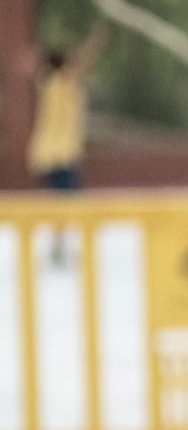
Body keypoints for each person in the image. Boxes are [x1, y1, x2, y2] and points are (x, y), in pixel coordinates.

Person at [26, 23, 107, 264]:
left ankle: (58, 244)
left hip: (45, 152)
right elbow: (83, 61)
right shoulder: (64, 81)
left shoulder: (47, 81)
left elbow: (37, 67)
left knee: (61, 198)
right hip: (60, 153)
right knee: (68, 199)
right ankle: (58, 247)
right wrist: (96, 41)